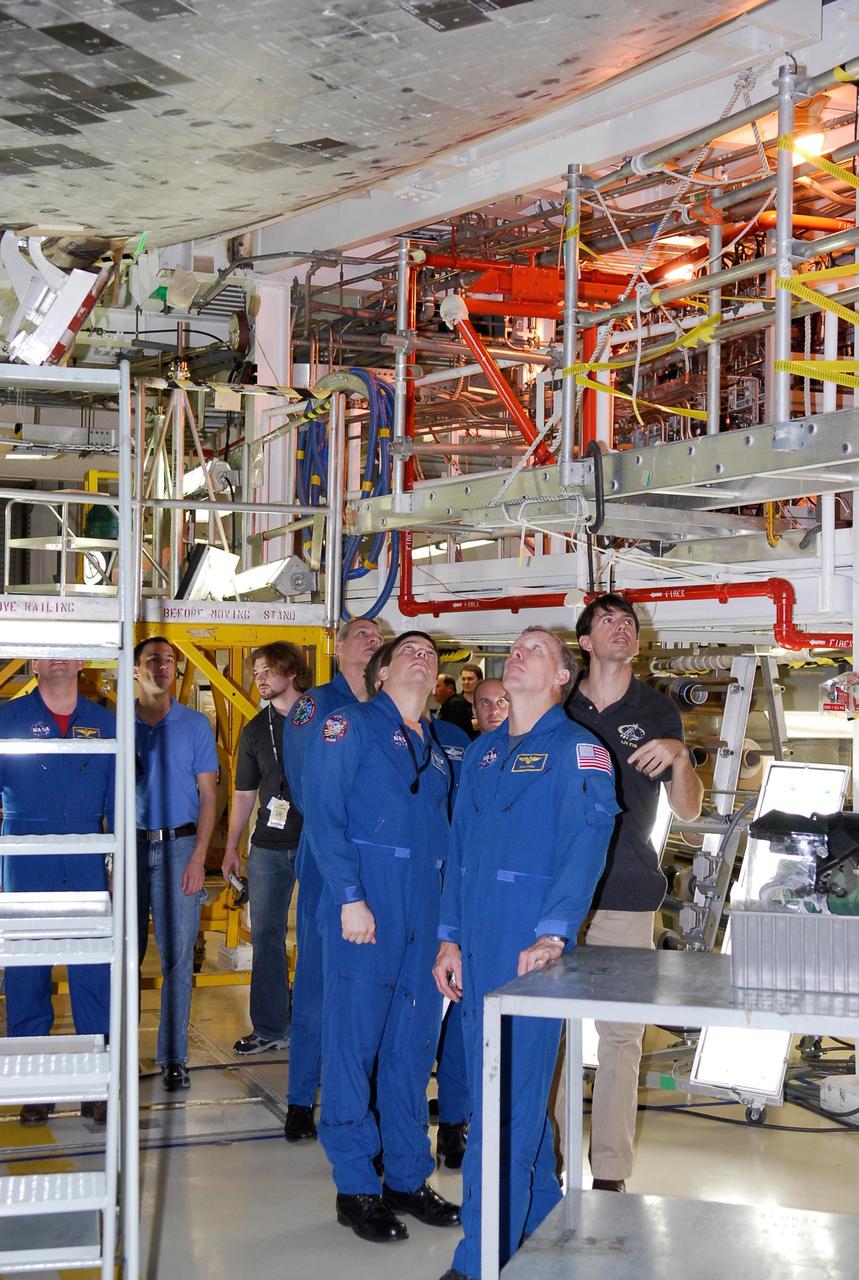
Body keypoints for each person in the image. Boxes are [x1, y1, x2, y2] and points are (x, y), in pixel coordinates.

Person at [433, 627, 619, 1280]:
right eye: (514, 646)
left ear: (562, 677)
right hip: (476, 944)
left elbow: (586, 843)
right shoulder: (482, 754)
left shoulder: (578, 751)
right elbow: (458, 853)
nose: (517, 653)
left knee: (502, 1111)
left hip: (528, 951)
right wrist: (448, 936)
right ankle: (543, 1216)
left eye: (534, 650)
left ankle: (479, 1258)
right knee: (502, 1103)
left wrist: (553, 930)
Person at [303, 631, 461, 1244]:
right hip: (366, 909)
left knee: (411, 1052)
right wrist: (349, 897)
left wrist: (448, 930)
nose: (423, 658)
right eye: (409, 652)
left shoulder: (440, 749)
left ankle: (405, 1176)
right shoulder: (350, 726)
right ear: (381, 670)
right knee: (353, 1049)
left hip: (422, 912)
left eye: (431, 654)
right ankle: (356, 1187)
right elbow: (324, 811)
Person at [567, 592, 702, 1191]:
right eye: (607, 621)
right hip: (559, 897)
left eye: (629, 621)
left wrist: (679, 756)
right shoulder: (557, 701)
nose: (622, 628)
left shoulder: (657, 710)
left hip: (627, 893)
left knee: (620, 1038)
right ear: (586, 642)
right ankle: (547, 1158)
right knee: (554, 1032)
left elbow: (690, 810)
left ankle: (610, 1175)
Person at [281, 617, 384, 1142]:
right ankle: (302, 1098)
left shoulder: (392, 708)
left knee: (372, 987)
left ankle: (365, 1096)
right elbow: (306, 789)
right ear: (337, 646)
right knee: (320, 983)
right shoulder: (315, 706)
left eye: (377, 635)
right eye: (361, 634)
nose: (371, 640)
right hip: (327, 858)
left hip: (383, 863)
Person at [0, 658, 115, 1126]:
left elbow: (120, 802)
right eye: (48, 649)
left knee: (93, 973)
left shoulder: (106, 721)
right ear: (33, 661)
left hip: (90, 853)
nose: (59, 658)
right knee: (27, 973)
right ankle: (36, 1085)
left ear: (82, 660)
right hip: (25, 854)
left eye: (68, 649)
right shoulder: (7, 718)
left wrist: (116, 866)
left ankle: (95, 1084)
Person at [135, 636, 219, 1092]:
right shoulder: (119, 725)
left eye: (169, 661)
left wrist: (198, 858)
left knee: (177, 960)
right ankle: (119, 1053)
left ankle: (174, 1058)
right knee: (126, 959)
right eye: (153, 660)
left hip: (178, 849)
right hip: (129, 848)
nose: (163, 667)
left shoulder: (195, 726)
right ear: (135, 669)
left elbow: (210, 794)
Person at [222, 642, 313, 1056]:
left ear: (292, 672)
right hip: (269, 848)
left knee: (317, 937)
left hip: (316, 844)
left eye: (268, 670)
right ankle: (271, 1026)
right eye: (255, 671)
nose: (259, 678)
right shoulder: (256, 730)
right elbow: (243, 793)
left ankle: (315, 1024)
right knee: (267, 935)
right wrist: (231, 847)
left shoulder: (321, 718)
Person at [434, 672, 474, 739]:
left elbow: (450, 734)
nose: (434, 691)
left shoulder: (454, 705)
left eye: (437, 686)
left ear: (450, 688)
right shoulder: (449, 704)